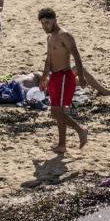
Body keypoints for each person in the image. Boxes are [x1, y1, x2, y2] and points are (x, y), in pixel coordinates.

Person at [38, 8, 90, 153]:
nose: (45, 26)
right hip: (54, 77)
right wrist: (44, 78)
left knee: (56, 112)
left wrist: (82, 76)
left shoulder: (64, 35)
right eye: (42, 23)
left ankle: (81, 130)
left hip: (64, 77)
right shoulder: (50, 37)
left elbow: (77, 56)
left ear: (55, 19)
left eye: (47, 22)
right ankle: (62, 145)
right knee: (58, 112)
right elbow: (48, 61)